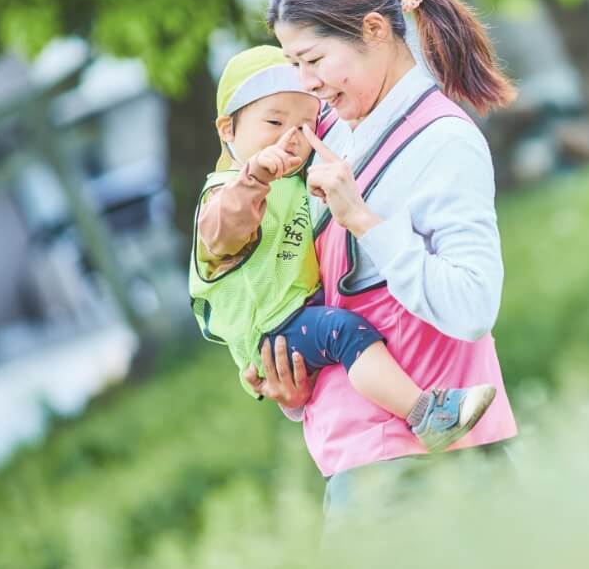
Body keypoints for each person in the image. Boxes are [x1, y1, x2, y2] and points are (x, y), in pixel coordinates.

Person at [242, 0, 519, 518]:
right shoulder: (329, 132)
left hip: (439, 475)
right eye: (292, 63)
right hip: (358, 469)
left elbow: (472, 305)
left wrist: (363, 220)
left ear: (373, 28)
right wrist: (295, 387)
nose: (305, 82)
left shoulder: (444, 141)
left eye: (313, 60)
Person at [189, 45, 497, 452]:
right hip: (273, 329)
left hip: (302, 316)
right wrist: (255, 175)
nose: (289, 139)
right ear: (227, 129)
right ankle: (426, 413)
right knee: (345, 333)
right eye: (274, 122)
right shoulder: (225, 195)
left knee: (341, 330)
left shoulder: (300, 175)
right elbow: (223, 232)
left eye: (303, 128)